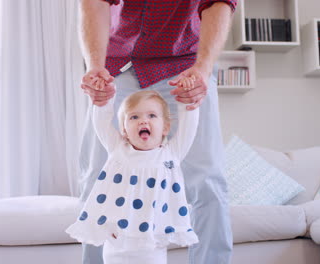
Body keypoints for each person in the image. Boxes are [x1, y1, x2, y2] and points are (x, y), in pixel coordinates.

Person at [78, 0, 237, 263]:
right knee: (97, 173)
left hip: (185, 64)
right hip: (120, 63)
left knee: (207, 182)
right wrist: (94, 65)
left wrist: (203, 67)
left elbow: (219, 3)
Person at [67, 88, 200, 264]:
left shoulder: (171, 155)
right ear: (124, 130)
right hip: (116, 245)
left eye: (152, 115)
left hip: (152, 249)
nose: (143, 121)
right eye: (134, 117)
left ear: (165, 127)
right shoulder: (118, 150)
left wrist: (188, 100)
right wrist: (104, 98)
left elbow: (189, 126)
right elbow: (101, 122)